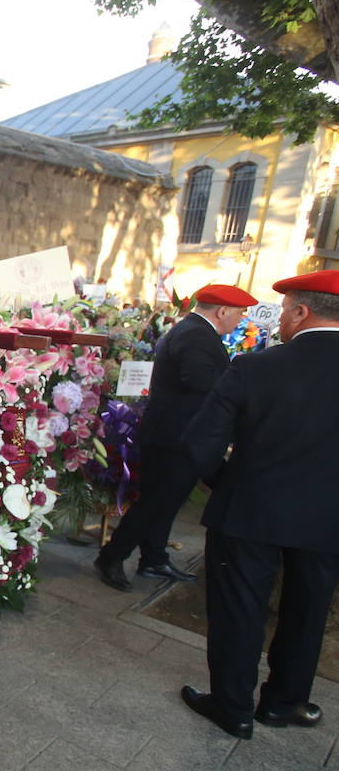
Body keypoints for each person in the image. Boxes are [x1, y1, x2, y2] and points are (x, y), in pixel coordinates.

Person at [180, 270, 339, 739]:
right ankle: (285, 702)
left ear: (300, 312)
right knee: (310, 609)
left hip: (250, 508)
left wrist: (227, 484)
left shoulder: (255, 367)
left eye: (286, 309)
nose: (282, 320)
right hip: (328, 516)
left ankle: (233, 706)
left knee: (240, 608)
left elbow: (200, 445)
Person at [94, 283, 256, 591]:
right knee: (156, 502)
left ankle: (153, 559)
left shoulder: (196, 331)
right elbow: (198, 381)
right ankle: (111, 556)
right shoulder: (196, 335)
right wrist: (239, 383)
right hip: (174, 438)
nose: (241, 320)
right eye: (239, 313)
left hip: (177, 435)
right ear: (222, 311)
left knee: (166, 502)